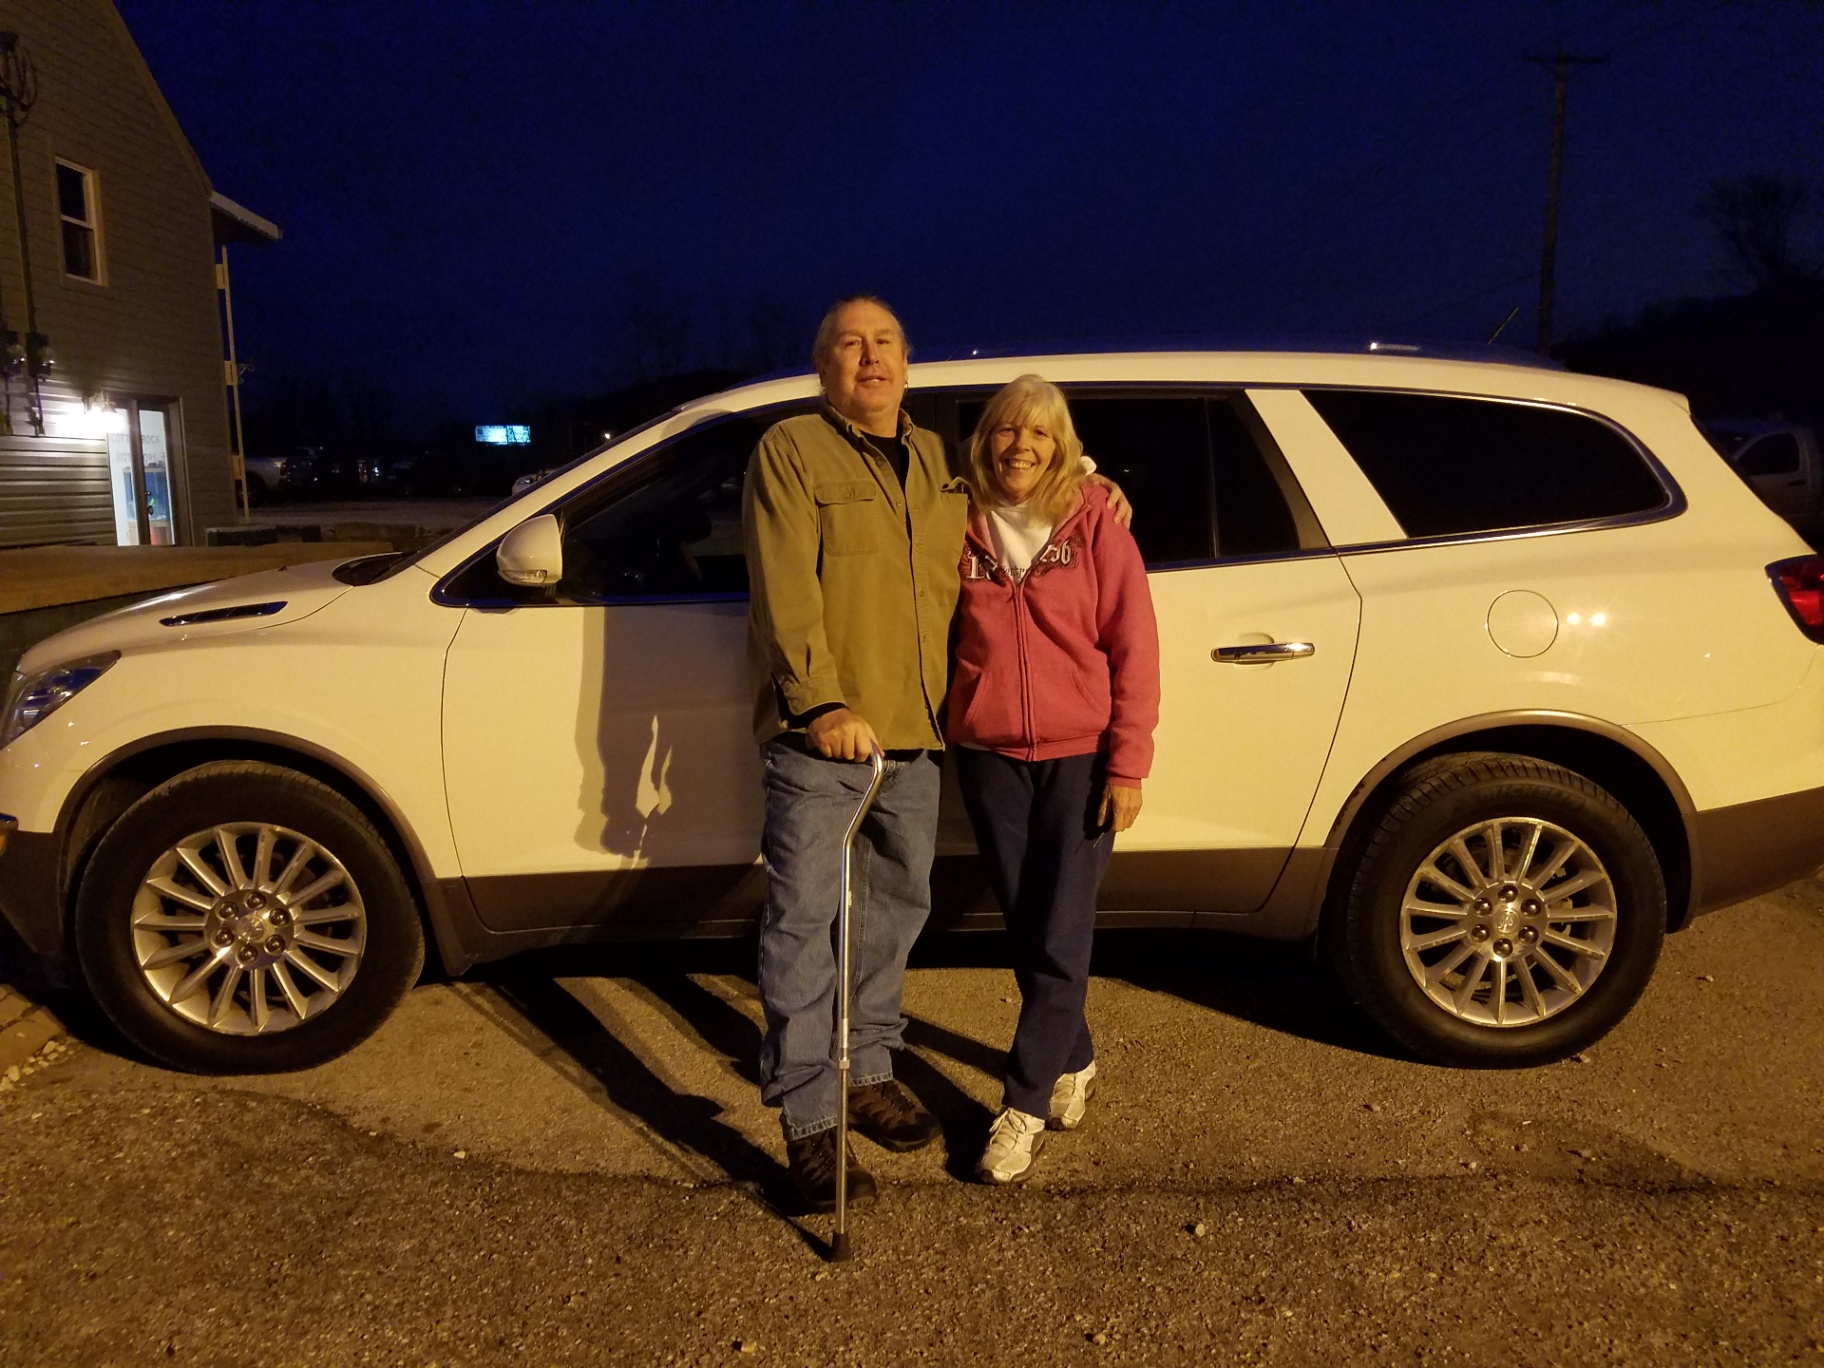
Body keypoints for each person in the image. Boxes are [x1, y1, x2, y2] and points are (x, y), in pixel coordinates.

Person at [741, 296, 961, 1210]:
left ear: (908, 361)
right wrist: (821, 700)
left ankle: (867, 1071)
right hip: (825, 738)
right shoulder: (792, 450)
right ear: (823, 366)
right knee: (802, 928)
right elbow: (782, 584)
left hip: (917, 735)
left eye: (884, 344)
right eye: (848, 345)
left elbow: (1024, 505)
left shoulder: (942, 462)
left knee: (890, 917)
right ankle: (810, 1123)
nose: (869, 359)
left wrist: (1097, 486)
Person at [945, 374, 1161, 1186]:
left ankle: (1023, 1104)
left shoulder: (1095, 520)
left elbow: (1135, 645)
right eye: (1007, 430)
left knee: (1062, 929)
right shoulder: (955, 518)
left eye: (1039, 433)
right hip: (990, 754)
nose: (1021, 446)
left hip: (1080, 756)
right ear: (985, 439)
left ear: (1062, 444)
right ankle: (1076, 1053)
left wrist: (1128, 761)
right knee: (1028, 925)